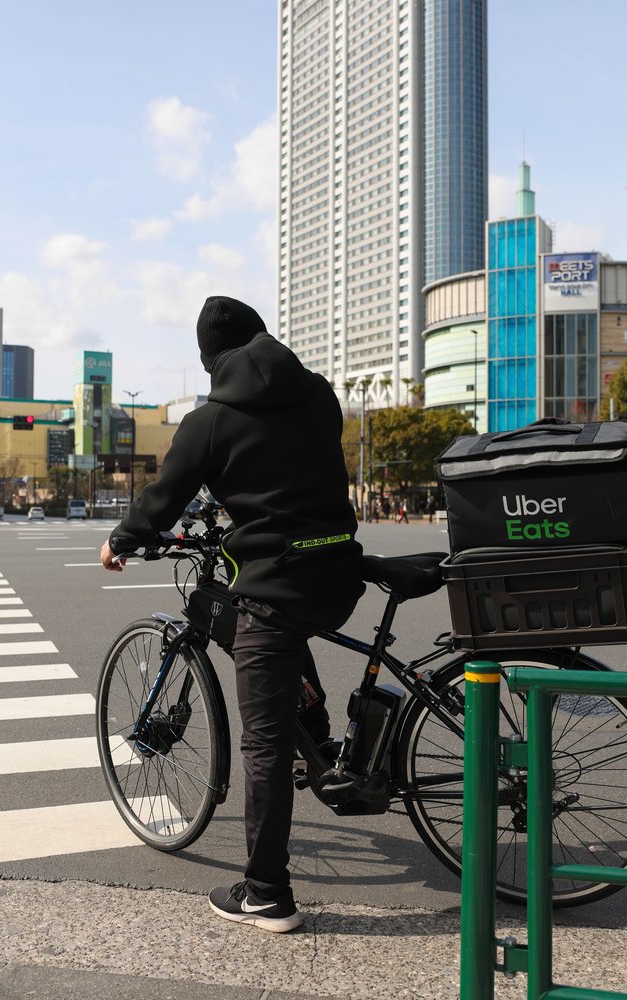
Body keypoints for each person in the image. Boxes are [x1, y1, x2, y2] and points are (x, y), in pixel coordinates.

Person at [100, 295, 363, 934]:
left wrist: (123, 540)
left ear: (210, 359)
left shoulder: (211, 420)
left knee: (263, 735)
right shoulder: (321, 395)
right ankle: (319, 741)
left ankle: (267, 891)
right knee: (281, 637)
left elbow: (164, 498)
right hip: (339, 570)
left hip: (275, 580)